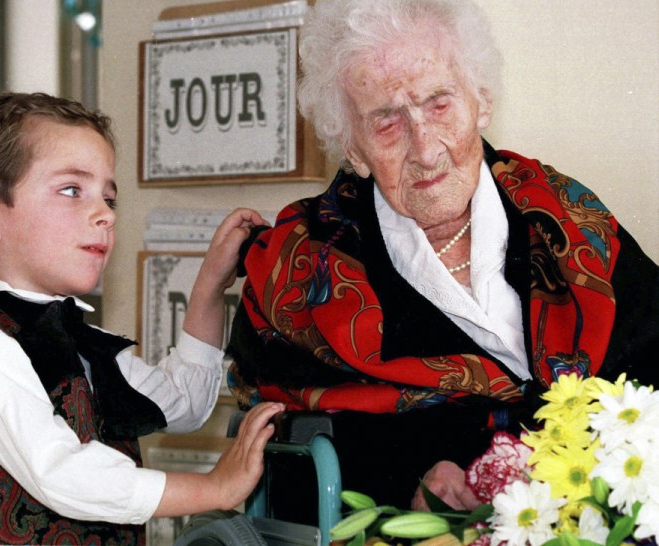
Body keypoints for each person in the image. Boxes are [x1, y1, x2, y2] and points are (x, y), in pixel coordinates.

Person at [226, 0, 659, 521]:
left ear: (481, 101)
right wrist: (409, 483)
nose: (426, 148)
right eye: (387, 119)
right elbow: (283, 455)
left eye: (439, 103)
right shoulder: (300, 271)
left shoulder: (564, 213)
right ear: (353, 148)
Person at [0, 91, 283, 545]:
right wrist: (214, 487)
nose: (105, 214)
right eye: (72, 190)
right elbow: (65, 474)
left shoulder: (82, 343)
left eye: (110, 198)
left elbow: (184, 403)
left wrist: (209, 286)